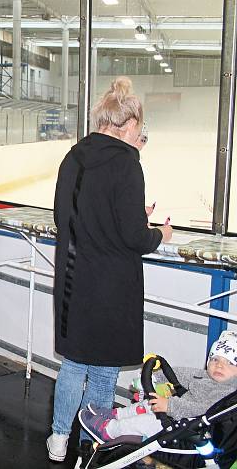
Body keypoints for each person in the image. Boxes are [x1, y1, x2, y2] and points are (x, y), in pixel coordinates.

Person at [47, 77, 173, 463]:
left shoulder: (73, 156)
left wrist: (130, 217)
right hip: (110, 283)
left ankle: (58, 438)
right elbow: (134, 237)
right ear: (131, 124)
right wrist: (159, 233)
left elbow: (64, 215)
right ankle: (94, 441)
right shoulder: (126, 164)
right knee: (102, 370)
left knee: (73, 364)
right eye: (141, 130)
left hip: (72, 278)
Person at [80, 331, 237, 443]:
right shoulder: (205, 375)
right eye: (215, 359)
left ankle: (109, 430)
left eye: (229, 362)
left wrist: (169, 405)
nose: (219, 366)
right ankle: (116, 414)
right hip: (176, 414)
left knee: (144, 422)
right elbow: (181, 373)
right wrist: (156, 378)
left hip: (187, 428)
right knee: (148, 403)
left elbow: (204, 410)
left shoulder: (228, 393)